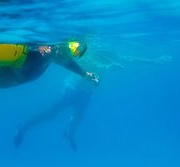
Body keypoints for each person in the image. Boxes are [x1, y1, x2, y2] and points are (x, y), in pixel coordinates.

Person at [14, 51, 171, 150]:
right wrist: (108, 66)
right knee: (51, 114)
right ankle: (23, 128)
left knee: (79, 117)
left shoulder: (111, 55)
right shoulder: (89, 52)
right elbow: (89, 63)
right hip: (71, 89)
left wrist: (154, 60)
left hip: (86, 94)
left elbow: (130, 58)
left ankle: (68, 134)